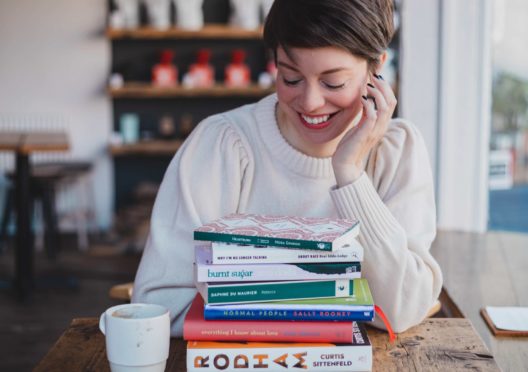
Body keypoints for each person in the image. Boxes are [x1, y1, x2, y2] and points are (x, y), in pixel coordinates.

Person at [132, 0, 443, 337]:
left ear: (376, 69)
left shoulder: (396, 152)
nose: (309, 103)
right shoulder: (223, 144)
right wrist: (309, 305)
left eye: (333, 83)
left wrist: (350, 175)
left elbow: (401, 310)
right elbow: (161, 306)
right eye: (291, 78)